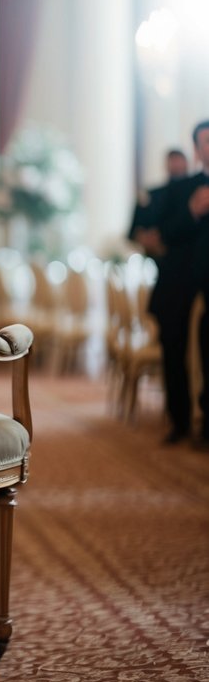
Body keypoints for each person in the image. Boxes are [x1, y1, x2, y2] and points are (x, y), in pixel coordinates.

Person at [155, 120, 209, 447]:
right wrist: (192, 210)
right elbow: (164, 233)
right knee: (173, 348)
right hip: (180, 283)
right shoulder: (181, 188)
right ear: (197, 149)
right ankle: (179, 420)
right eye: (205, 142)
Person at [128, 147, 189, 258]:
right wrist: (145, 238)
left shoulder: (192, 195)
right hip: (154, 257)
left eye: (178, 160)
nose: (175, 165)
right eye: (172, 160)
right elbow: (135, 230)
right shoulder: (153, 195)